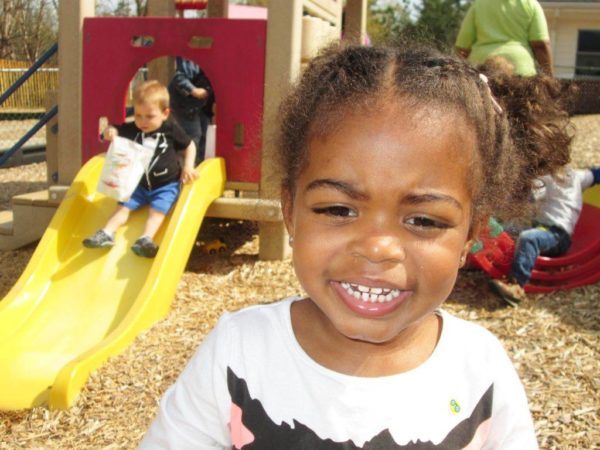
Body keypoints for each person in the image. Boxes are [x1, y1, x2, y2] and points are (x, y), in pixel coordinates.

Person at [138, 45, 572, 449]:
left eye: (423, 220)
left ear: (470, 234)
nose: (378, 248)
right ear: (290, 211)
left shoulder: (480, 372)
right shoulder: (239, 354)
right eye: (338, 210)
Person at [83, 80, 198, 258]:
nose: (142, 121)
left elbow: (189, 145)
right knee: (122, 208)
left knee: (157, 211)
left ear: (165, 113)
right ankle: (107, 233)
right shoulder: (133, 129)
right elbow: (113, 129)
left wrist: (188, 166)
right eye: (138, 115)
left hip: (165, 185)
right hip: (138, 184)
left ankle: (146, 238)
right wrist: (109, 132)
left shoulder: (170, 129)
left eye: (149, 116)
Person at [490, 166, 600, 306]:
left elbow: (526, 197)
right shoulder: (576, 176)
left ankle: (516, 285)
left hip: (557, 236)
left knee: (528, 238)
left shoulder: (549, 179)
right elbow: (596, 175)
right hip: (544, 231)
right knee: (508, 230)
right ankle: (487, 255)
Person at [455, 0, 554, 77]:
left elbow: (462, 48)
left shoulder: (479, 4)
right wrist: (550, 79)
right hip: (520, 72)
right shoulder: (530, 3)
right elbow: (540, 45)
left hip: (480, 71)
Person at [168, 57, 214, 164]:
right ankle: (186, 167)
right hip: (184, 104)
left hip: (202, 105)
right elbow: (179, 78)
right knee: (193, 136)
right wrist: (194, 90)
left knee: (205, 135)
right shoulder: (194, 60)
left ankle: (199, 165)